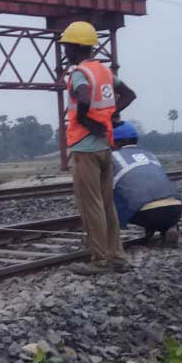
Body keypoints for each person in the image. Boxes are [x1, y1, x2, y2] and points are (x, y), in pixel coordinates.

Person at [61, 21, 136, 275]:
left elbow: (82, 96)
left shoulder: (80, 73)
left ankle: (99, 261)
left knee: (90, 204)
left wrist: (85, 120)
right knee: (107, 204)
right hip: (105, 146)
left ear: (77, 47)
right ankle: (116, 257)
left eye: (67, 46)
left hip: (85, 149)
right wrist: (110, 116)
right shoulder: (104, 72)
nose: (65, 51)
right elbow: (128, 94)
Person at [111, 122, 182, 247]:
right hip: (175, 208)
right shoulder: (150, 154)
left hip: (148, 213)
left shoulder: (113, 156)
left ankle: (110, 238)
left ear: (116, 142)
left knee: (114, 194)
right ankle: (169, 228)